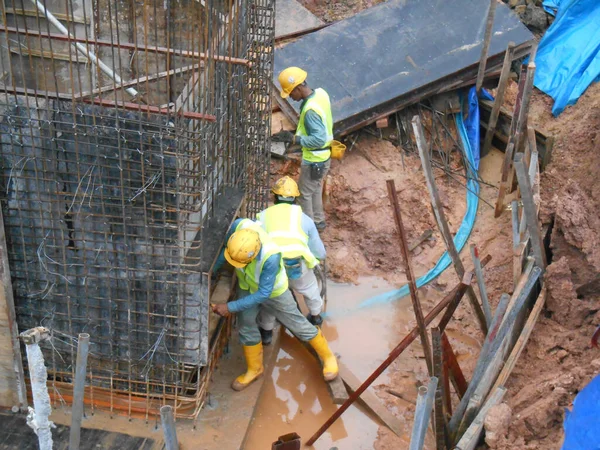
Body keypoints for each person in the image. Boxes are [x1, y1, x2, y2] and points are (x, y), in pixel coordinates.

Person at [211, 218, 338, 391]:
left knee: (298, 324)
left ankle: (328, 358)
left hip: (273, 292)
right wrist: (212, 271)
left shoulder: (270, 256)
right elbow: (227, 251)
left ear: (254, 253)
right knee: (246, 325)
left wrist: (230, 307)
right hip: (246, 285)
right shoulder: (238, 227)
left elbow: (263, 294)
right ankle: (255, 369)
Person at [256, 176, 326, 346]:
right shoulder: (305, 219)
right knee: (310, 289)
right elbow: (320, 252)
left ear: (274, 197)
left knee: (272, 298)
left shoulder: (262, 217)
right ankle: (316, 317)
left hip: (272, 266)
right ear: (295, 199)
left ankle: (266, 333)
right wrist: (314, 259)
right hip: (296, 264)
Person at [273, 67, 333, 230]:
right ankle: (318, 222)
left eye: (291, 92)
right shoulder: (321, 94)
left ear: (298, 87)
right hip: (324, 157)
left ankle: (308, 229)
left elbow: (318, 139)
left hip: (315, 159)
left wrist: (294, 139)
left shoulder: (310, 111)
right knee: (314, 189)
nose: (291, 97)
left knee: (304, 195)